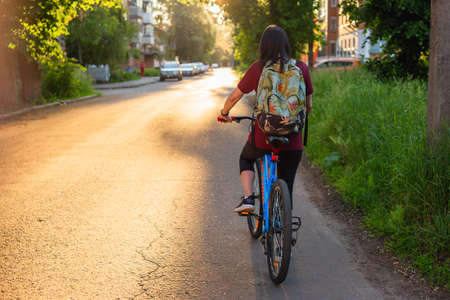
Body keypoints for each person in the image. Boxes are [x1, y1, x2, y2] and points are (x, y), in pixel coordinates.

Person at [218, 25, 313, 213]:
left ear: (264, 46)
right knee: (287, 183)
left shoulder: (258, 68)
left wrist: (224, 113)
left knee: (246, 158)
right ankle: (284, 225)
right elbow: (308, 104)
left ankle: (248, 199)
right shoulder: (301, 67)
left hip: (263, 138)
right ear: (286, 44)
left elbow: (234, 97)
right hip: (292, 139)